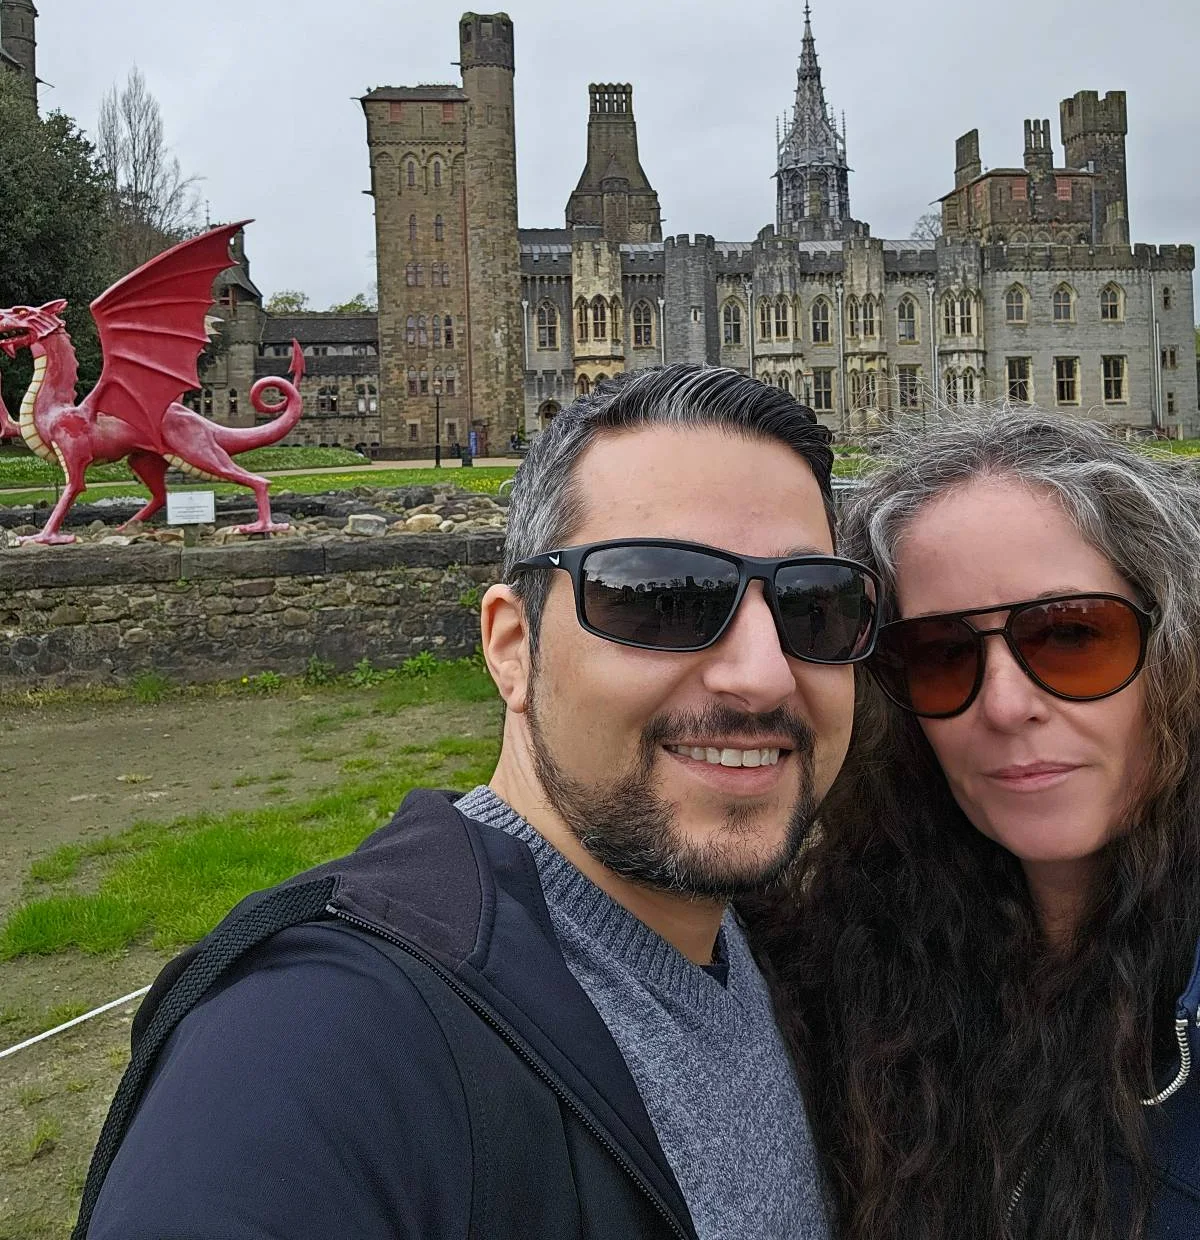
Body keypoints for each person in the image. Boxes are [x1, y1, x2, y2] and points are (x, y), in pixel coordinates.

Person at [81, 364, 880, 1240]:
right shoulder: (321, 1038)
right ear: (511, 645)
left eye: (815, 605)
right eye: (663, 597)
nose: (763, 674)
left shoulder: (783, 949)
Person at [749, 407, 1200, 1240]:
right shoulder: (855, 965)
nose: (1004, 705)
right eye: (942, 654)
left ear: (1173, 646)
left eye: (1071, 636)